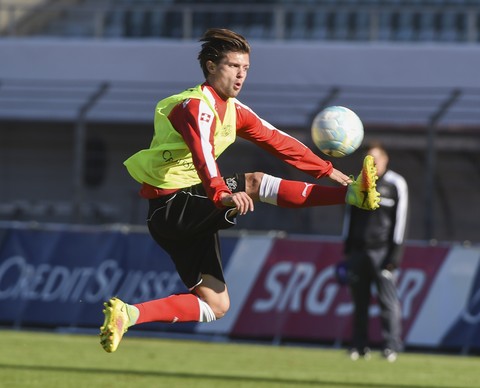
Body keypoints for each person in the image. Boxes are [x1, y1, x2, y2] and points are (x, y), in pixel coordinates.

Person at [99, 28, 380, 353]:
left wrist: (329, 170)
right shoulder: (193, 106)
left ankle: (128, 314)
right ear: (209, 66)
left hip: (185, 210)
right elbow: (202, 152)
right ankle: (349, 197)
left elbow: (279, 141)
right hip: (173, 205)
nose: (240, 75)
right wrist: (220, 195)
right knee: (254, 182)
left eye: (245, 68)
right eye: (233, 66)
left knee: (216, 304)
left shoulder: (234, 111)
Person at [341, 142, 409, 362]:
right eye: (368, 160)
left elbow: (401, 221)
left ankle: (391, 346)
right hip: (359, 251)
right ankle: (359, 346)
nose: (372, 164)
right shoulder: (360, 183)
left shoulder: (396, 183)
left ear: (385, 160)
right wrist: (348, 247)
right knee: (359, 302)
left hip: (383, 253)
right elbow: (349, 217)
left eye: (375, 159)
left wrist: (394, 256)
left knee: (387, 301)